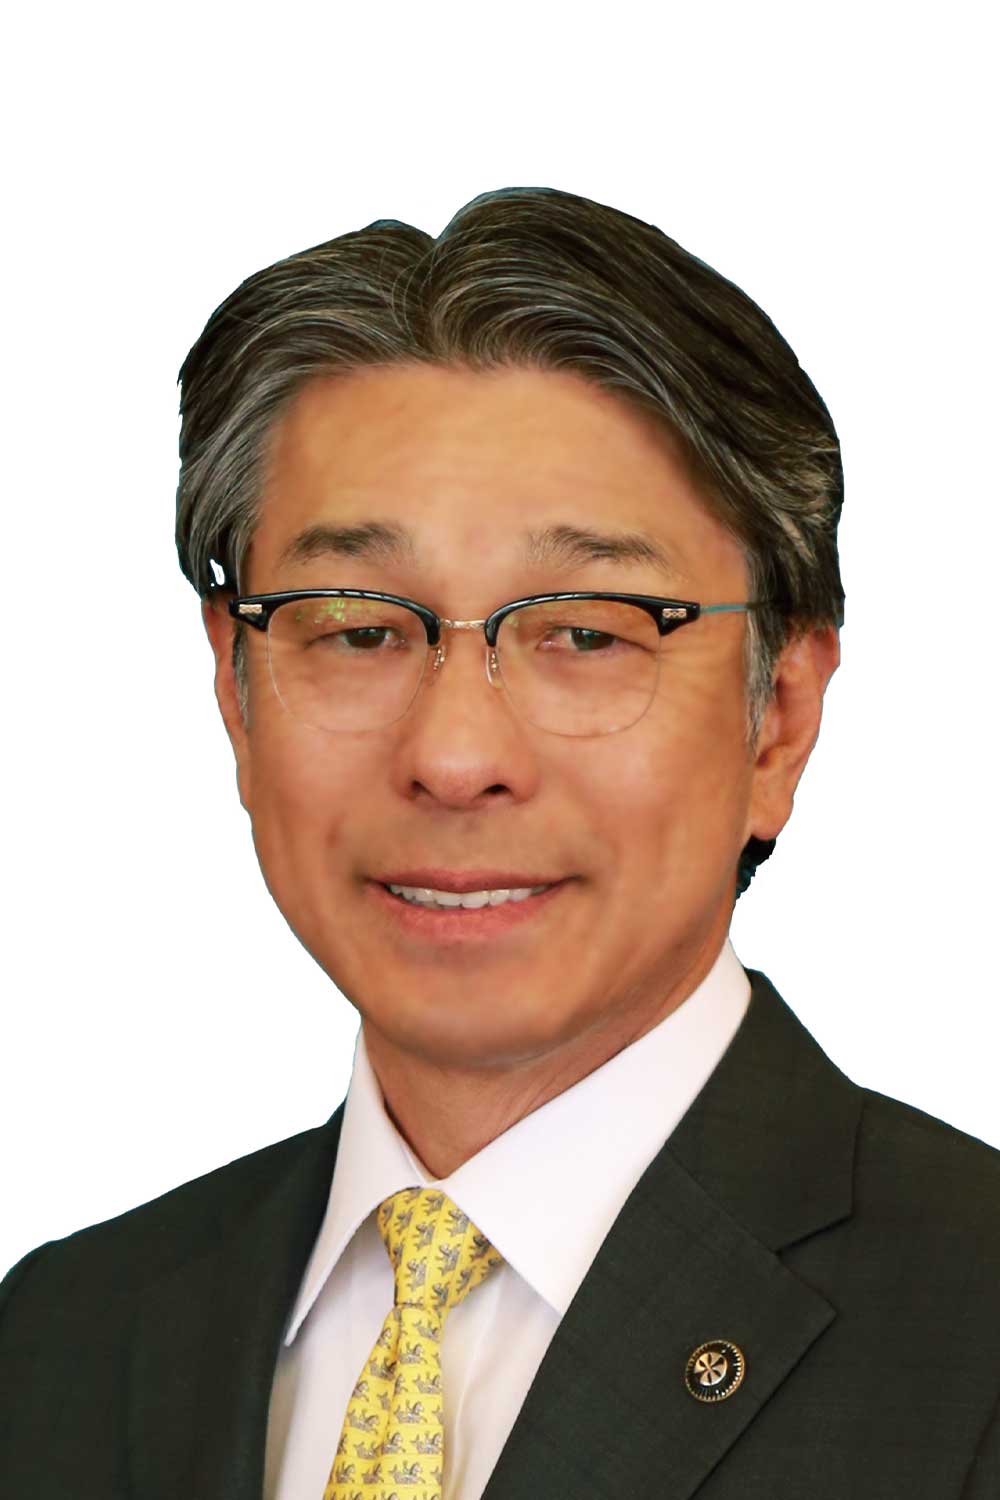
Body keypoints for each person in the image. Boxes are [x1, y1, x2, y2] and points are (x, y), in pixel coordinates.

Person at [2, 185, 997, 1499]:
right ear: (235, 691)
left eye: (585, 633)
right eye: (359, 627)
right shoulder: (59, 1342)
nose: (456, 755)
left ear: (779, 719)